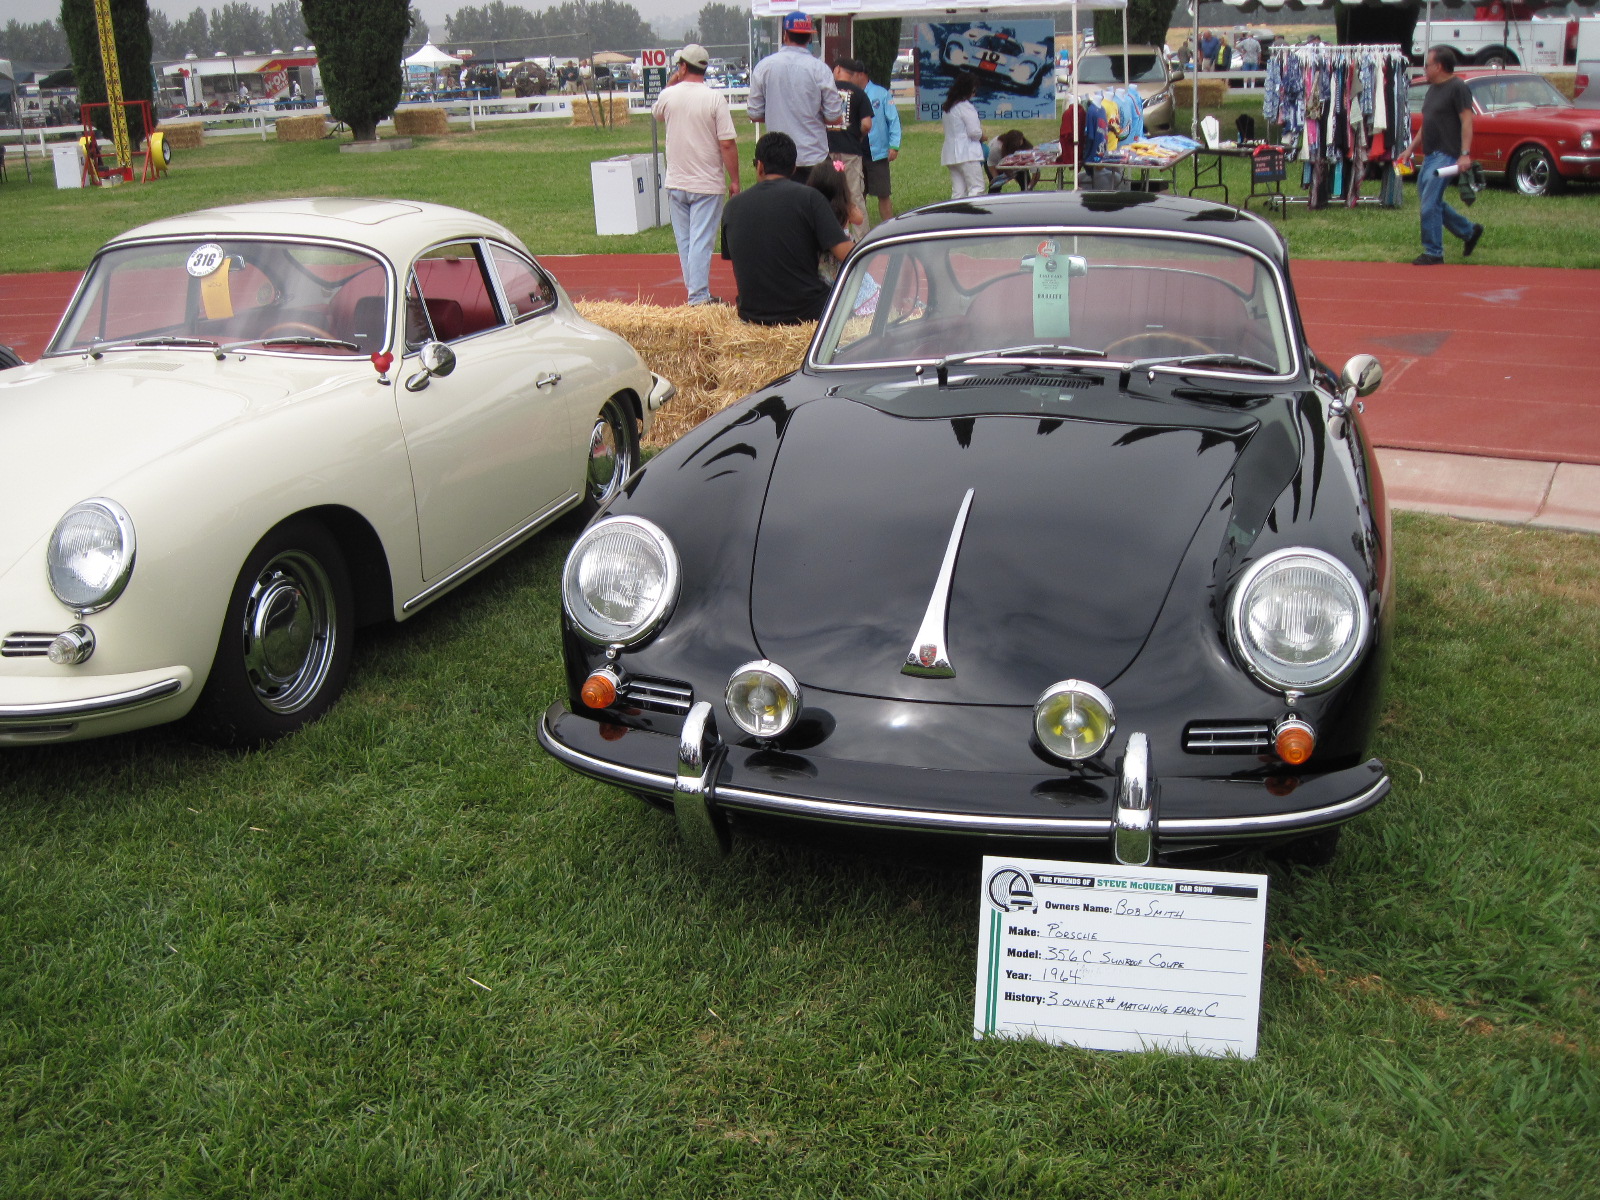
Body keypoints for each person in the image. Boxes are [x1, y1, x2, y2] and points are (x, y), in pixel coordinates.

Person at [721, 131, 853, 325]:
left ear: (760, 166)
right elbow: (847, 254)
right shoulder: (810, 199)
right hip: (808, 312)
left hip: (753, 314)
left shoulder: (732, 206)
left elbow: (737, 260)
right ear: (793, 168)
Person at [653, 43, 741, 307]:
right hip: (706, 181)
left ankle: (697, 293)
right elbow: (727, 142)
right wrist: (734, 179)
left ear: (682, 66)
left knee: (686, 242)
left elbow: (657, 113)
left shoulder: (669, 96)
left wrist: (672, 82)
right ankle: (698, 296)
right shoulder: (714, 99)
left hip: (677, 180)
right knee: (701, 241)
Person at [1399, 46, 1484, 265]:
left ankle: (1433, 252)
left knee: (1429, 204)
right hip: (1430, 155)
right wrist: (1410, 149)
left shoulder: (1457, 88)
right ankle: (1469, 231)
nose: (1424, 69)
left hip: (1447, 155)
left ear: (1438, 66)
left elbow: (1467, 121)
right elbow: (1427, 125)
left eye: (1427, 64)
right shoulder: (1433, 90)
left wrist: (1464, 154)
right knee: (1432, 202)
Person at [746, 12, 843, 177]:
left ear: (785, 34)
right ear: (809, 38)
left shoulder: (764, 67)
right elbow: (835, 117)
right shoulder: (820, 69)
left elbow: (754, 113)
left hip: (777, 159)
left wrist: (775, 113)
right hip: (813, 157)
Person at [827, 58, 872, 240]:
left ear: (837, 70)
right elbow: (867, 124)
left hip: (827, 150)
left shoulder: (826, 91)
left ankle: (831, 236)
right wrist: (856, 135)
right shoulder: (859, 93)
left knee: (828, 193)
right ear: (854, 75)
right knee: (854, 195)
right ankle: (863, 241)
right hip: (850, 150)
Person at [852, 59, 900, 224]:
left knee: (883, 193)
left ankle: (890, 229)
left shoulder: (881, 93)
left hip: (878, 152)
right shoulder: (850, 93)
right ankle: (860, 230)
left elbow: (893, 120)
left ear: (861, 75)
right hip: (856, 151)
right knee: (857, 194)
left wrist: (894, 145)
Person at [940, 74, 985, 200]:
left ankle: (956, 217)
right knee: (977, 188)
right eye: (974, 90)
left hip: (951, 153)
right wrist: (982, 135)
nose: (974, 94)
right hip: (967, 153)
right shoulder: (966, 107)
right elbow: (974, 132)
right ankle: (973, 216)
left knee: (958, 192)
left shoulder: (949, 107)